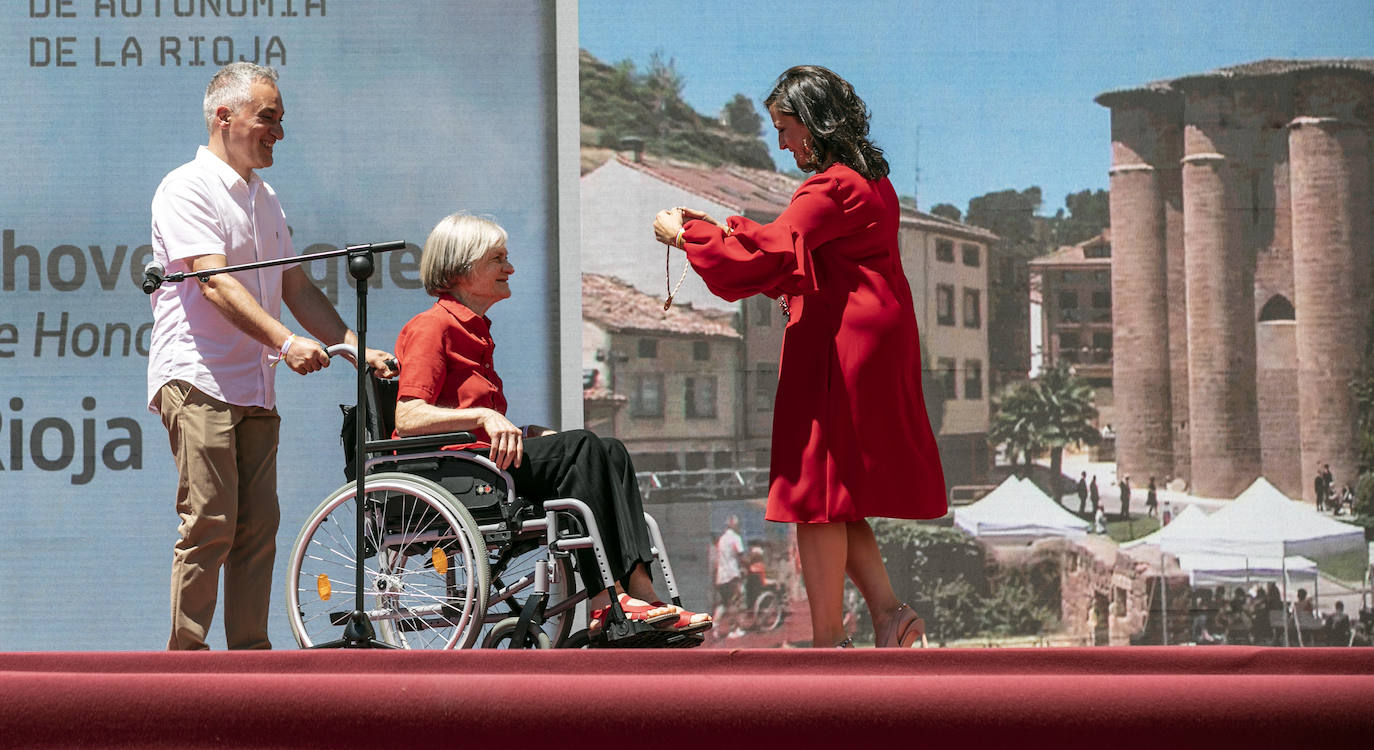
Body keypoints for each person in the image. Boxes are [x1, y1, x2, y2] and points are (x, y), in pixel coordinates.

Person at [651, 65, 946, 648]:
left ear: (814, 123)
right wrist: (724, 232)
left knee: (815, 494)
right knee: (835, 492)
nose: (781, 143)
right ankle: (889, 615)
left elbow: (769, 253)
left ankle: (828, 645)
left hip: (840, 344)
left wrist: (689, 235)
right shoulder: (873, 183)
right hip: (867, 338)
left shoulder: (831, 187)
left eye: (785, 128)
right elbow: (790, 252)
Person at [147, 63, 397, 650]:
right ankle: (185, 662)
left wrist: (353, 347)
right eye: (268, 118)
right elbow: (214, 283)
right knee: (210, 521)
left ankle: (249, 659)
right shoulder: (186, 186)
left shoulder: (265, 197)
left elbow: (297, 286)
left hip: (255, 385)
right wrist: (285, 343)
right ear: (223, 116)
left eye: (281, 120)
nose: (278, 132)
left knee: (257, 527)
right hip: (199, 376)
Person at [391, 213, 710, 645]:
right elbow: (408, 416)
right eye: (498, 259)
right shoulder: (433, 326)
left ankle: (642, 594)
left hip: (484, 466)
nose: (511, 268)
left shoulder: (476, 331)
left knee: (609, 449)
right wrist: (484, 417)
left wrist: (518, 429)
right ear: (463, 269)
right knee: (581, 447)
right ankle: (605, 601)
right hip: (456, 476)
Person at [714, 514, 747, 637]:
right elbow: (741, 555)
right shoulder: (735, 538)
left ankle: (715, 627)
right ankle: (734, 630)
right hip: (732, 575)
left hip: (721, 576)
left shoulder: (721, 539)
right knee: (735, 602)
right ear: (734, 525)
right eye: (737, 524)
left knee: (723, 603)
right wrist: (746, 566)